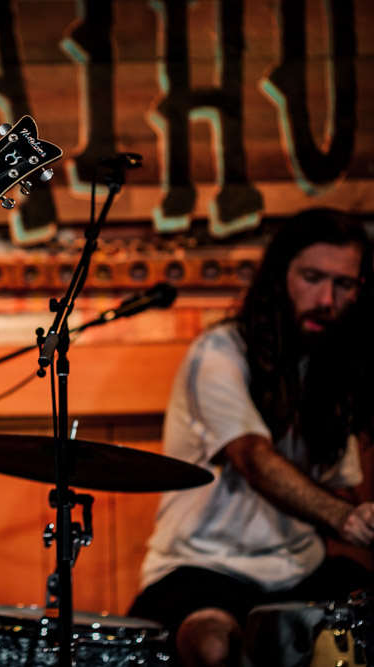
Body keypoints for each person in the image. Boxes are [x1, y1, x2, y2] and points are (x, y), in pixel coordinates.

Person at [129, 208, 374, 667]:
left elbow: (336, 494)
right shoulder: (219, 353)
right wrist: (346, 518)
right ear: (278, 277)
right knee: (212, 644)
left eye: (344, 285)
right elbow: (253, 459)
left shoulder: (334, 369)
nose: (327, 298)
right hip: (203, 565)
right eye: (312, 277)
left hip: (299, 566)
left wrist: (357, 516)